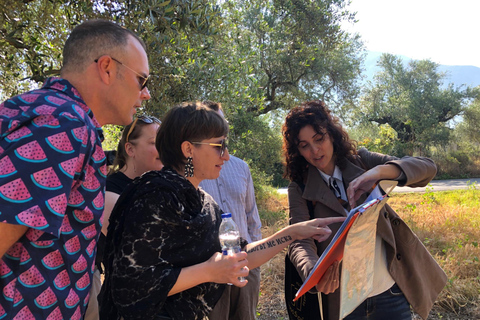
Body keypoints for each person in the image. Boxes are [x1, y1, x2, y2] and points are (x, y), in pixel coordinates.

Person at [99, 102, 345, 320]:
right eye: (218, 146)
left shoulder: (203, 201)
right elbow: (131, 285)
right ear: (188, 150)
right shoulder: (154, 196)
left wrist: (293, 233)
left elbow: (240, 254)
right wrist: (207, 271)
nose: (226, 156)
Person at [0, 19, 150, 319]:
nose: (146, 94)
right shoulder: (63, 123)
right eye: (141, 81)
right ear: (107, 68)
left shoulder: (49, 112)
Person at [282, 100, 447, 320]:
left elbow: (427, 168)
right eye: (304, 145)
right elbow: (299, 240)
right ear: (298, 151)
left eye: (319, 139)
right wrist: (314, 273)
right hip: (344, 303)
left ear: (331, 134)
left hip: (389, 292)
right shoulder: (299, 187)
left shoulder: (362, 161)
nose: (314, 150)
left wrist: (379, 172)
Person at [84, 115, 162, 320]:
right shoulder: (110, 189)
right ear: (130, 149)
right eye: (155, 143)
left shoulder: (154, 185)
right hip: (106, 290)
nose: (164, 149)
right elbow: (138, 244)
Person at [199, 101, 262, 320]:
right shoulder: (191, 168)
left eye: (222, 122)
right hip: (210, 268)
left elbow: (251, 216)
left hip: (246, 263)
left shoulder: (241, 166)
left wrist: (255, 264)